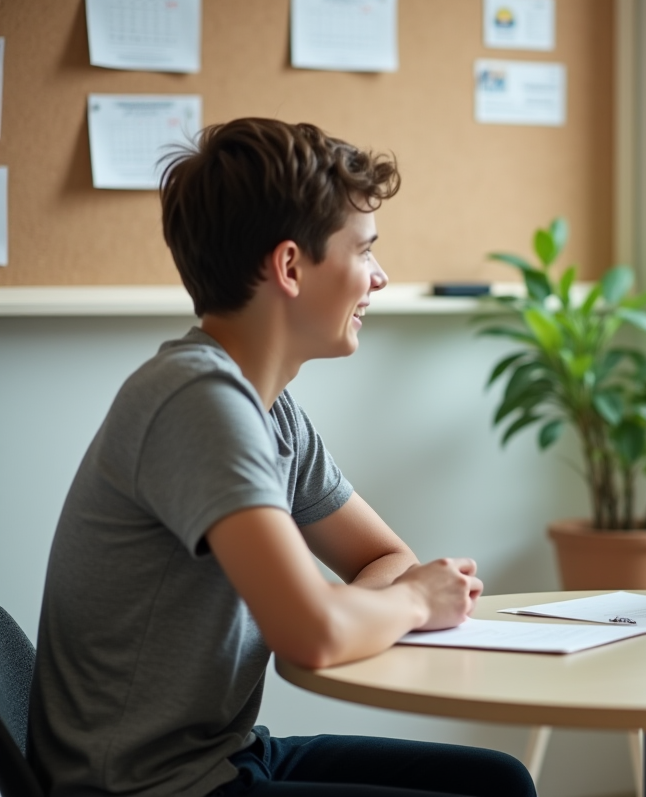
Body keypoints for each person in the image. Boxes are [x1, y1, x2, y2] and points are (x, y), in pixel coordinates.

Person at [27, 118, 537, 797]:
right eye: (364, 251)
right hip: (146, 787)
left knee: (497, 781)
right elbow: (316, 633)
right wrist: (404, 605)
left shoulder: (268, 409)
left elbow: (381, 559)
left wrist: (345, 613)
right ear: (291, 266)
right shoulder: (197, 401)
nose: (380, 278)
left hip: (228, 756)